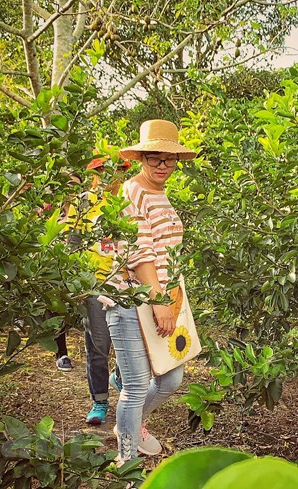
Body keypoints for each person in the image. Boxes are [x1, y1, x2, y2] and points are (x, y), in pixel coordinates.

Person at [99, 119, 195, 462]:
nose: (163, 165)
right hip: (132, 299)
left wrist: (171, 298)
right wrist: (158, 301)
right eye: (155, 158)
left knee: (171, 378)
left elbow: (166, 251)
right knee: (137, 386)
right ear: (141, 157)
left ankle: (131, 424)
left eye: (169, 159)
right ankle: (126, 461)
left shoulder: (159, 193)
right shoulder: (132, 191)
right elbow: (139, 253)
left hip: (160, 296)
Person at [50, 158, 128, 425]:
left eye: (118, 171)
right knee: (98, 345)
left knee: (129, 342)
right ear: (94, 174)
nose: (111, 177)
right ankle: (100, 401)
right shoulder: (84, 203)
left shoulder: (128, 201)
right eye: (104, 171)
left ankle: (120, 377)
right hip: (94, 284)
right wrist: (79, 282)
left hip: (127, 285)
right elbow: (72, 242)